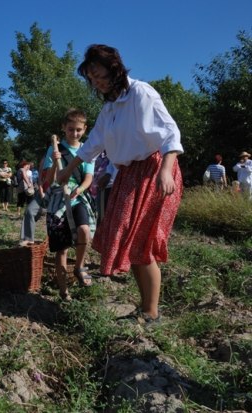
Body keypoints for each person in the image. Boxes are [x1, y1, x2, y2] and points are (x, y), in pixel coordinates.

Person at [58, 44, 183, 323]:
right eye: (92, 79)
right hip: (129, 174)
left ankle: (151, 312)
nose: (97, 83)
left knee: (143, 241)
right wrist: (69, 169)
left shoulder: (141, 92)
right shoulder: (111, 108)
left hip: (153, 170)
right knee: (130, 239)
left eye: (100, 76)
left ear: (115, 69)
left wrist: (165, 170)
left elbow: (170, 132)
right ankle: (144, 308)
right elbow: (93, 144)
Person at [44, 109, 95, 301]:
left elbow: (89, 177)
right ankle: (64, 291)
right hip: (58, 200)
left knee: (84, 229)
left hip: (78, 198)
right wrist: (56, 162)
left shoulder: (87, 150)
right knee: (62, 249)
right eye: (71, 129)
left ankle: (80, 266)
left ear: (84, 129)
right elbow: (50, 179)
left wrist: (80, 189)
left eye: (79, 130)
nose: (74, 133)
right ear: (63, 128)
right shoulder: (55, 148)